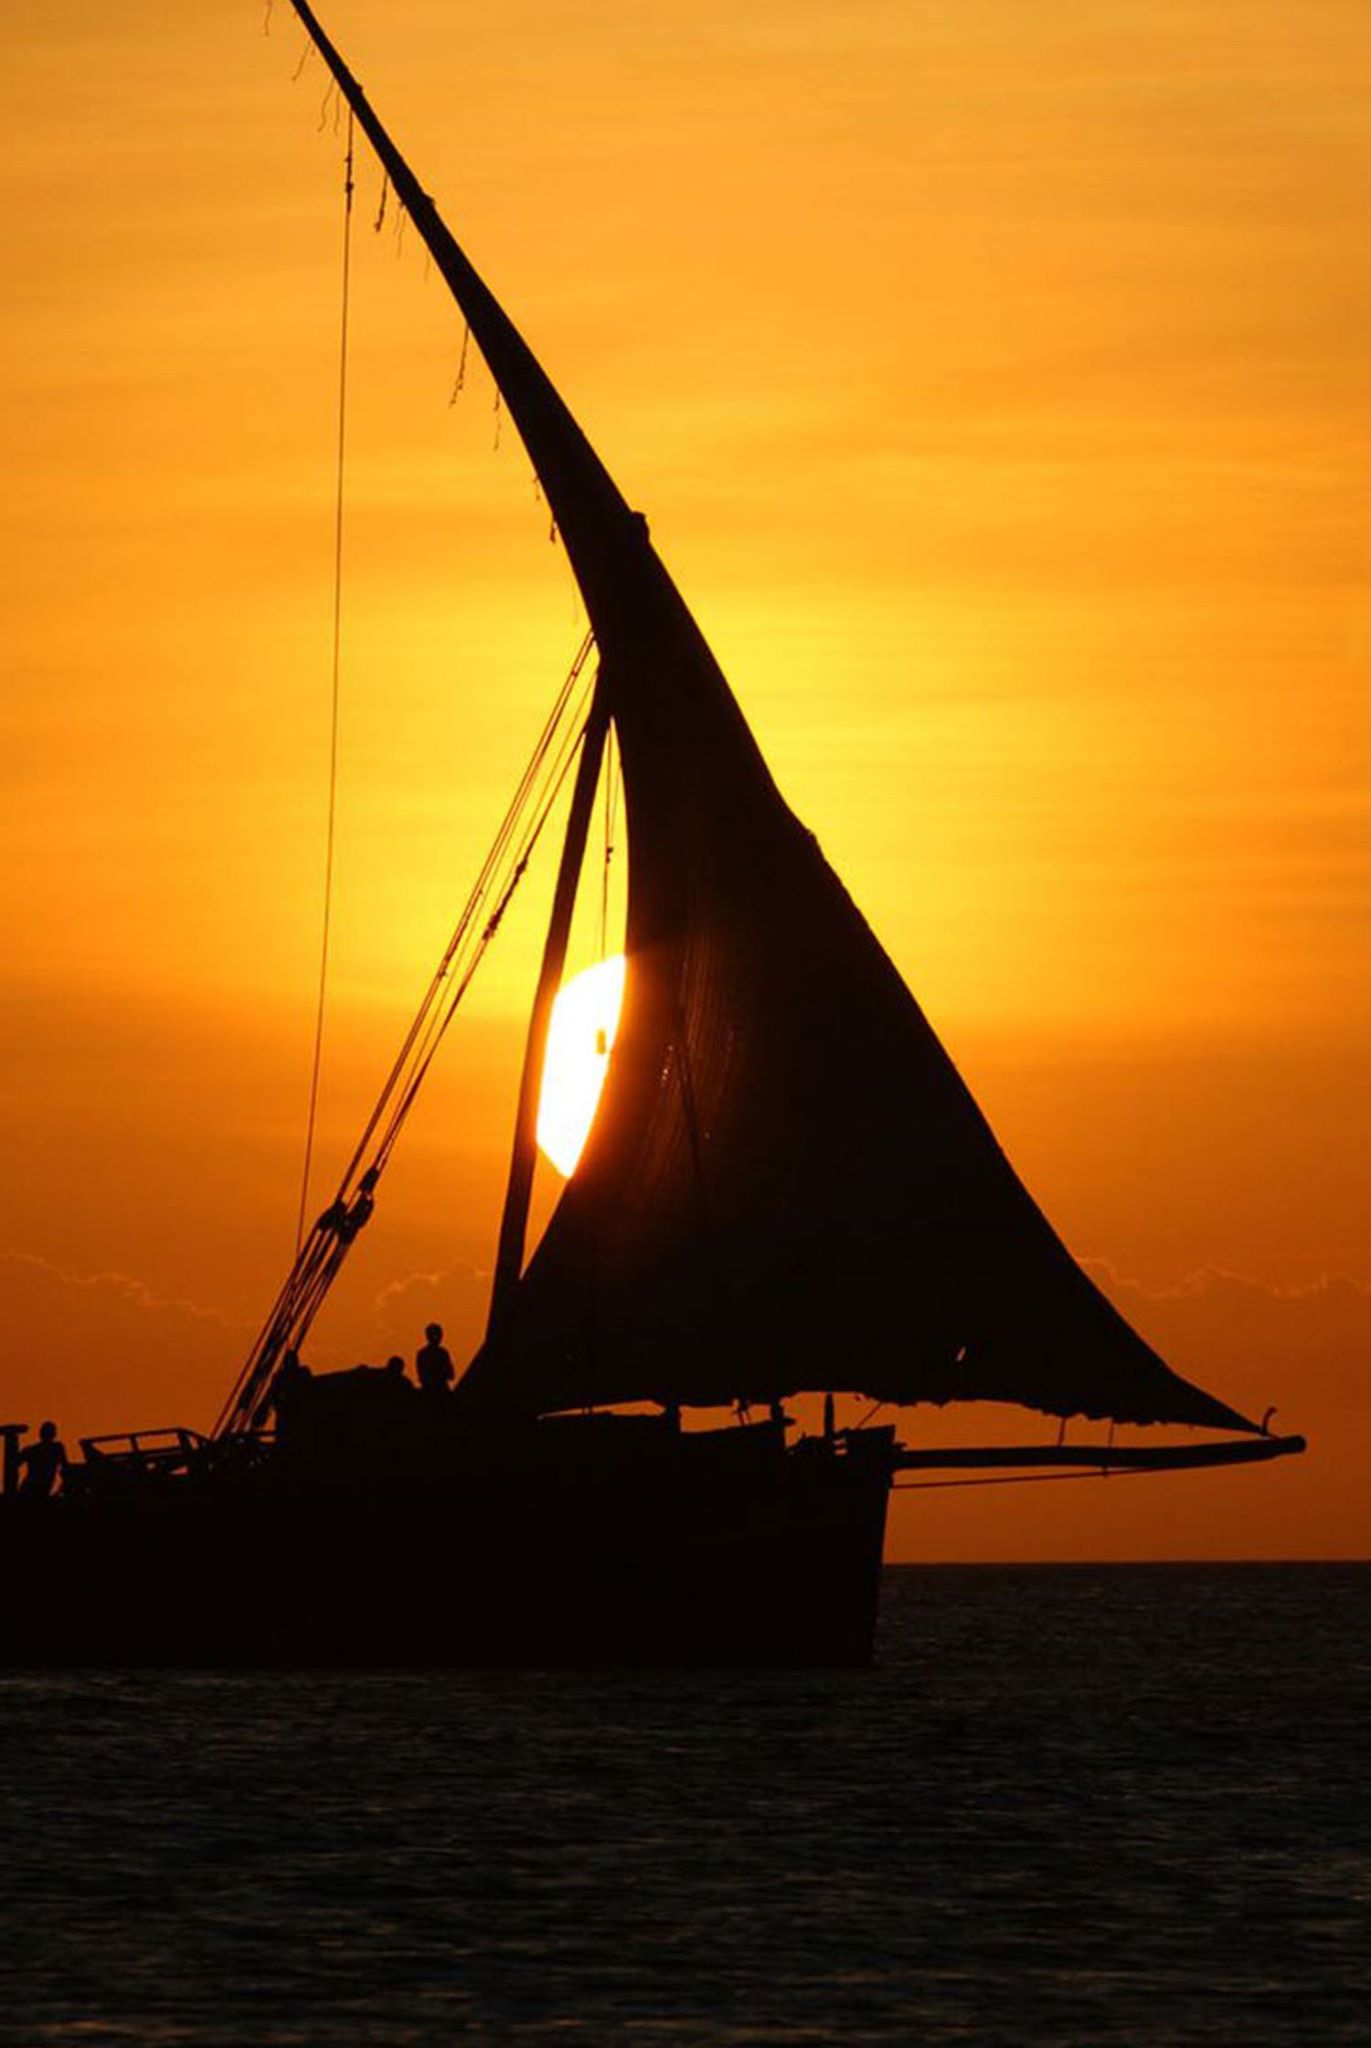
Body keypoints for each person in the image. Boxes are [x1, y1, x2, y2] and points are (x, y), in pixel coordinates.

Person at [19, 1421, 67, 1497]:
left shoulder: (56, 1449)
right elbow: (66, 1469)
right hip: (30, 1489)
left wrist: (59, 1490)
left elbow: (65, 1469)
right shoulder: (32, 1450)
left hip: (38, 1489)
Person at [416, 1322, 454, 1397]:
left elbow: (451, 1374)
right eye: (436, 1335)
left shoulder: (442, 1353)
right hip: (433, 1390)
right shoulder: (424, 1354)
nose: (438, 1338)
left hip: (437, 1390)